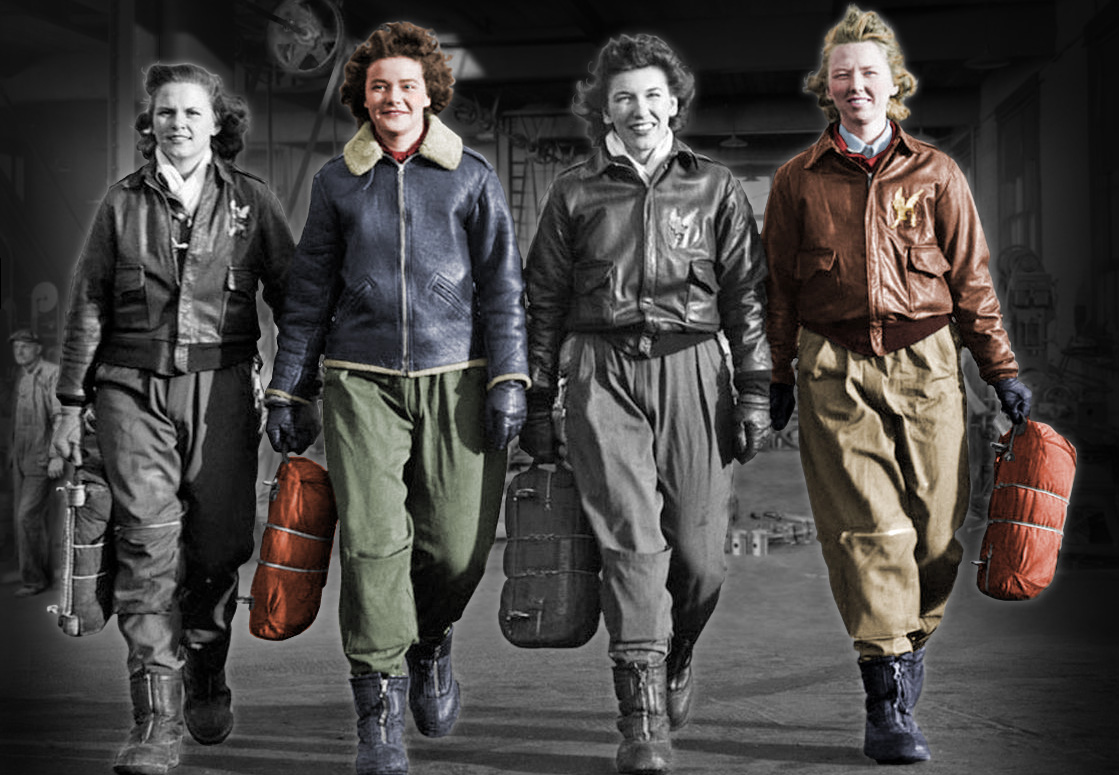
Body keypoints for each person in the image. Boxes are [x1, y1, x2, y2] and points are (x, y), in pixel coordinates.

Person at [762, 5, 1033, 765]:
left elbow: (973, 280)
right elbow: (777, 290)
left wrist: (1000, 368)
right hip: (832, 366)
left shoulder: (937, 174)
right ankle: (884, 694)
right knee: (867, 531)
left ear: (893, 85)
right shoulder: (795, 182)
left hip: (928, 364)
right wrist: (778, 373)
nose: (855, 85)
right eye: (841, 74)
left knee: (938, 536)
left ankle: (906, 642)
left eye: (868, 73)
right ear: (827, 87)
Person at [263, 22, 528, 775]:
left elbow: (503, 290)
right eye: (379, 85)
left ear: (430, 93)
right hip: (360, 380)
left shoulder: (472, 177)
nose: (393, 96)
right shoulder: (335, 183)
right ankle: (376, 708)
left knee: (455, 545)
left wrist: (510, 378)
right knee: (374, 543)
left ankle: (431, 639)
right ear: (362, 98)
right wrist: (288, 385)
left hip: (459, 376)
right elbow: (307, 295)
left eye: (407, 84)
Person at [521, 33, 771, 775]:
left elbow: (746, 297)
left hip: (694, 367)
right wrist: (540, 398)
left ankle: (678, 647)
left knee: (698, 559)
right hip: (600, 372)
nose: (638, 108)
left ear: (674, 103)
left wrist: (754, 390)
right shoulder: (572, 192)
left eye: (651, 94)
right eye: (622, 96)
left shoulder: (714, 187)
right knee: (632, 545)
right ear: (603, 108)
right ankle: (640, 719)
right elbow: (541, 302)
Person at [50, 62, 294, 774]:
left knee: (218, 549)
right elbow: (88, 303)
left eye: (192, 113)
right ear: (149, 124)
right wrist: (70, 402)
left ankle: (208, 668)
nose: (178, 124)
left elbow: (292, 296)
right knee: (148, 548)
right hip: (129, 390)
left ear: (217, 122)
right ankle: (156, 721)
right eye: (165, 114)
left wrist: (294, 388)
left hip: (222, 390)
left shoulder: (253, 201)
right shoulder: (121, 204)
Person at [8, 328, 63, 597]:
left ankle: (35, 580)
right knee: (28, 520)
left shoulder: (50, 373)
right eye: (16, 346)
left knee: (26, 517)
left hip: (41, 459)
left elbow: (59, 417)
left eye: (26, 346)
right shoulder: (23, 375)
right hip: (20, 459)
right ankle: (34, 574)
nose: (19, 351)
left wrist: (55, 456)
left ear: (38, 349)